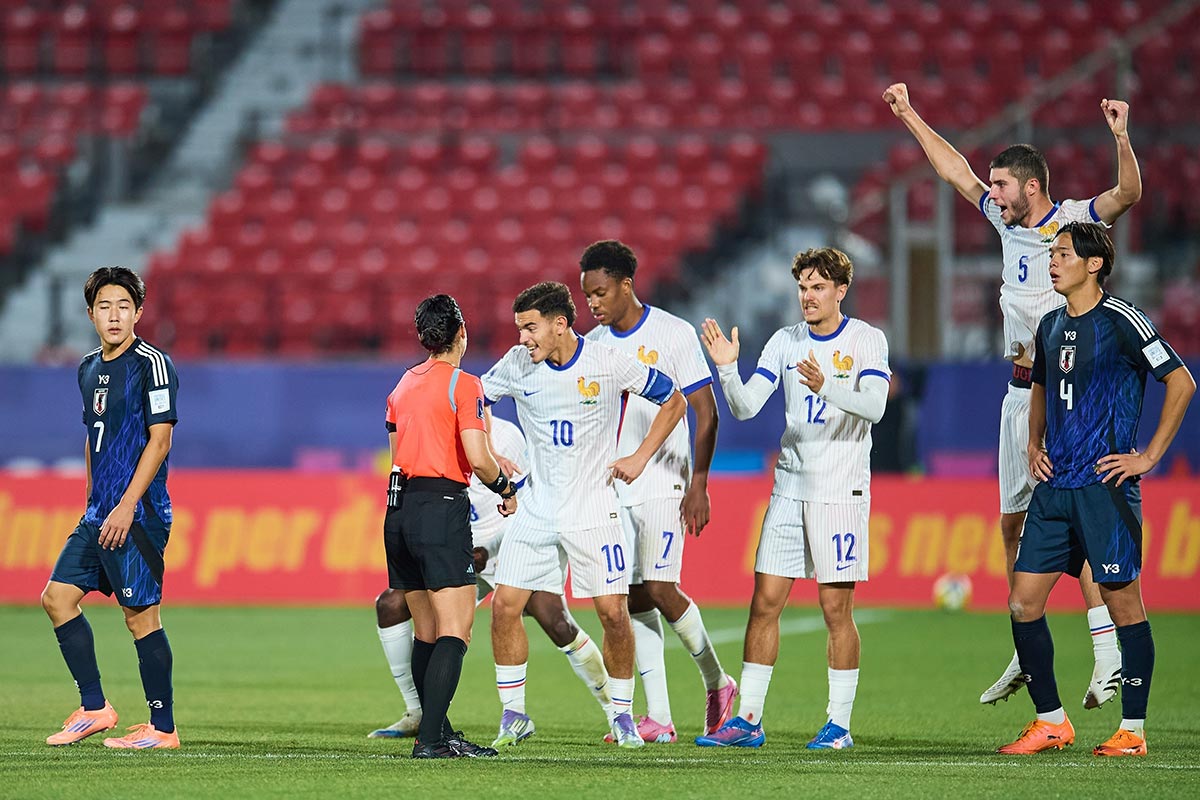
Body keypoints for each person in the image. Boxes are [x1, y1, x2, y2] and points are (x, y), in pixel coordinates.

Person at [883, 82, 1142, 707]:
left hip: (1066, 399)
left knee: (1079, 525)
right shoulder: (1004, 224)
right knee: (1011, 526)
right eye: (991, 187)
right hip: (1016, 395)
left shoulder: (1076, 224)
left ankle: (1106, 652)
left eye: (1000, 186)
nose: (990, 195)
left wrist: (1120, 136)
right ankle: (1027, 647)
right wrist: (911, 114)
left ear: (1031, 185)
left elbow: (1129, 193)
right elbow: (955, 172)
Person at [998, 222, 1194, 756]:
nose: (1052, 263)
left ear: (1094, 264)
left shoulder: (1124, 321)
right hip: (1055, 487)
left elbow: (1181, 381)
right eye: (1052, 254)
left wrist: (1149, 455)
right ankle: (1052, 721)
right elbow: (1039, 384)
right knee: (1022, 603)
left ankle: (1133, 729)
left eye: (1061, 254)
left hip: (1105, 488)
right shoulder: (1050, 325)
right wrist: (1033, 443)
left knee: (1123, 604)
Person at [696, 248, 890, 750]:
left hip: (839, 492)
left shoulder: (867, 340)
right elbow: (744, 406)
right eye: (802, 287)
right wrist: (727, 370)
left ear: (841, 290)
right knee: (764, 602)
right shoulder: (785, 342)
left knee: (834, 609)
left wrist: (828, 387)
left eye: (818, 287)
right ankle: (750, 720)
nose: (808, 296)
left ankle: (839, 725)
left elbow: (874, 406)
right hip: (788, 488)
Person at [481, 280, 687, 749]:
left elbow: (673, 400)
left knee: (613, 613)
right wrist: (492, 454)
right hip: (536, 509)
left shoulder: (606, 362)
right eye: (519, 329)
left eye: (530, 328)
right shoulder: (516, 365)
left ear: (560, 324)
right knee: (504, 607)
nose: (522, 339)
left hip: (594, 511)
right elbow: (473, 404)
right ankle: (514, 715)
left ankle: (621, 716)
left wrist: (638, 457)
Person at [368, 415, 614, 739]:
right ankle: (418, 711)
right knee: (391, 605)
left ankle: (615, 712)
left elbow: (530, 505)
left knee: (555, 620)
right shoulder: (438, 434)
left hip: (513, 540)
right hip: (461, 548)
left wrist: (491, 548)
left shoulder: (508, 438)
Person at [580, 239, 736, 743]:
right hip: (615, 482)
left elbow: (705, 411)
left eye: (601, 292)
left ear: (627, 283)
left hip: (665, 478)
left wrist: (699, 483)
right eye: (587, 297)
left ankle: (718, 680)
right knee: (630, 593)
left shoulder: (672, 333)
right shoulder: (594, 343)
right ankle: (660, 718)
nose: (594, 304)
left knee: (661, 588)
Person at [41, 267, 181, 749]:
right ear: (91, 314)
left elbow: (159, 441)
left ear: (139, 312)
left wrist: (125, 506)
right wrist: (92, 499)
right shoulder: (87, 368)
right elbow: (91, 437)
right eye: (105, 306)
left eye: (124, 306)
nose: (114, 315)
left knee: (141, 618)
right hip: (99, 513)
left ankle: (163, 729)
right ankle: (95, 707)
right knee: (57, 599)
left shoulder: (152, 364)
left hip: (138, 516)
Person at [383, 293, 517, 759]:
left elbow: (401, 449)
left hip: (398, 509)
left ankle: (436, 730)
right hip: (440, 508)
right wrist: (505, 487)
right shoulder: (464, 384)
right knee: (455, 630)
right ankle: (433, 740)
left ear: (423, 337)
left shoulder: (403, 384)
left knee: (426, 630)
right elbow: (478, 460)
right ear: (462, 332)